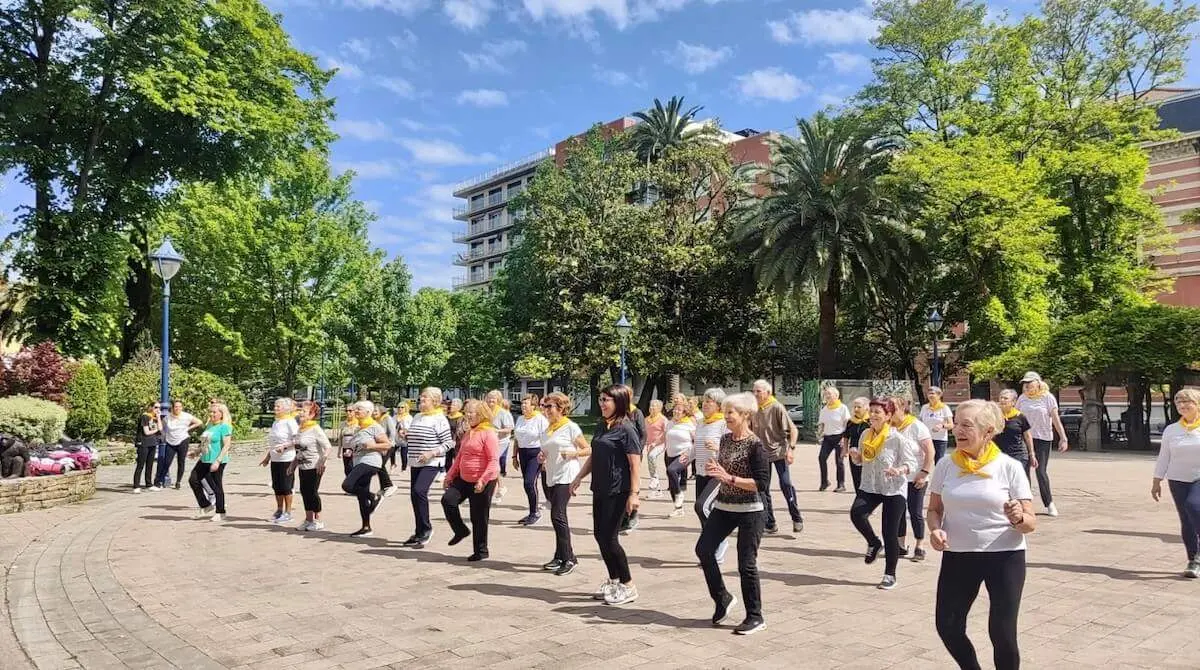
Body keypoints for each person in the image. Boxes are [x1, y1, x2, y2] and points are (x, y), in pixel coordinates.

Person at [930, 399, 1035, 670]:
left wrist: (1018, 518)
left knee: (1002, 632)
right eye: (956, 424)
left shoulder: (1009, 466)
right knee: (948, 625)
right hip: (958, 556)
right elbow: (934, 509)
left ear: (988, 431)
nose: (958, 430)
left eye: (966, 425)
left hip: (1004, 556)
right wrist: (935, 529)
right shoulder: (945, 465)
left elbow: (1030, 522)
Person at [695, 392, 771, 635]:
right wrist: (715, 469)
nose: (726, 416)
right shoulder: (726, 440)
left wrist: (729, 477)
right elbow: (724, 467)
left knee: (746, 564)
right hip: (725, 505)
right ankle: (722, 598)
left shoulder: (756, 445)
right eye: (725, 411)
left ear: (745, 415)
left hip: (751, 510)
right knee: (704, 550)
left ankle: (755, 616)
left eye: (731, 413)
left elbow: (761, 483)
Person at [570, 384, 641, 606]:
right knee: (600, 536)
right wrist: (579, 476)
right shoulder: (603, 426)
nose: (602, 404)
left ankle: (628, 585)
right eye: (600, 400)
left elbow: (635, 465)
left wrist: (634, 494)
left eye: (606, 400)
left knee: (610, 539)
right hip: (599, 487)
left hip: (617, 490)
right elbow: (595, 455)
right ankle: (614, 579)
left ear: (618, 402)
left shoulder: (627, 429)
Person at [848, 397, 919, 590]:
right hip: (870, 485)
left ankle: (890, 574)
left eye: (877, 412)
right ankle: (873, 542)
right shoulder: (865, 435)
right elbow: (863, 460)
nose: (872, 415)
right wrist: (856, 457)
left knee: (890, 532)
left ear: (888, 416)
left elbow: (911, 464)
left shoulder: (897, 439)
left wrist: (900, 470)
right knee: (856, 513)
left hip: (893, 488)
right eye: (871, 411)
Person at [441, 399, 501, 561]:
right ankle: (460, 530)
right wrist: (450, 475)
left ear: (481, 414)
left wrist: (483, 480)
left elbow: (494, 461)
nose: (468, 415)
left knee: (478, 516)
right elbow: (460, 456)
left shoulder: (488, 433)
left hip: (483, 480)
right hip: (464, 478)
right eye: (466, 412)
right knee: (448, 500)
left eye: (471, 412)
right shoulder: (469, 432)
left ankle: (481, 551)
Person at [538, 392, 590, 576]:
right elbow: (545, 450)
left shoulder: (570, 427)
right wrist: (541, 456)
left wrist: (573, 454)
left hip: (567, 475)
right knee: (555, 516)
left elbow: (588, 449)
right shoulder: (547, 429)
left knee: (558, 515)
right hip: (551, 474)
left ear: (560, 408)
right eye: (544, 406)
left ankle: (569, 558)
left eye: (549, 406)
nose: (546, 410)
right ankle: (559, 555)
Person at [1151, 388, 1200, 578]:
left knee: (1193, 507)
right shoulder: (1172, 430)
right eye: (1179, 402)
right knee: (1186, 519)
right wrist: (1157, 481)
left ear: (1197, 405)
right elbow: (1164, 457)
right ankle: (1193, 560)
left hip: (1198, 479)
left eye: (1187, 402)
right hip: (1177, 479)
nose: (1182, 405)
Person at [749, 380, 803, 534]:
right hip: (762, 454)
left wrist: (791, 449)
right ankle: (770, 523)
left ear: (768, 392)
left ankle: (796, 517)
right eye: (754, 391)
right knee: (763, 489)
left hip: (779, 452)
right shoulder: (754, 409)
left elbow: (793, 430)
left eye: (758, 391)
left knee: (785, 484)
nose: (756, 394)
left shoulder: (777, 407)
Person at [405, 387, 455, 548]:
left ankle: (426, 529)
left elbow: (448, 443)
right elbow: (415, 436)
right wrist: (406, 435)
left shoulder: (439, 419)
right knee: (414, 495)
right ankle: (419, 531)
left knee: (420, 491)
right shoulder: (418, 416)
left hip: (432, 462)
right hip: (415, 461)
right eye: (421, 397)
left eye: (424, 398)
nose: (421, 400)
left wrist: (432, 453)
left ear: (435, 401)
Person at [1015, 372, 1068, 517]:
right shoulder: (1022, 399)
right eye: (1025, 384)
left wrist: (1063, 438)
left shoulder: (1048, 398)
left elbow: (1056, 419)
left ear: (1038, 383)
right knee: (1023, 470)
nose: (1026, 386)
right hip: (1025, 438)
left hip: (1043, 438)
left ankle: (1049, 502)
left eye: (1029, 383)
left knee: (1041, 471)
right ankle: (1025, 504)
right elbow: (1016, 416)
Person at [892, 395, 935, 561]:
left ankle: (920, 545)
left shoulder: (917, 426)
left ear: (903, 408)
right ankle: (900, 545)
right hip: (897, 478)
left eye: (893, 407)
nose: (889, 411)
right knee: (898, 512)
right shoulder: (889, 427)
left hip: (916, 476)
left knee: (915, 511)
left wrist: (924, 472)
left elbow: (930, 451)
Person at [341, 401, 392, 538]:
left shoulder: (375, 427)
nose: (356, 411)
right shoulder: (358, 428)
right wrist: (351, 452)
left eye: (359, 409)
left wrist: (372, 446)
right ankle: (366, 527)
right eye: (355, 408)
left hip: (371, 461)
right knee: (361, 495)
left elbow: (387, 445)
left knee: (347, 485)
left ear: (368, 412)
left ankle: (373, 496)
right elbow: (359, 446)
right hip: (359, 461)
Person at [189, 403, 233, 522]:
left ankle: (221, 511)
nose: (212, 414)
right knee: (193, 479)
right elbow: (204, 443)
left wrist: (218, 461)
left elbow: (227, 445)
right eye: (211, 412)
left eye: (214, 412)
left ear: (221, 414)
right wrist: (196, 452)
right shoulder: (209, 425)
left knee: (216, 486)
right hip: (205, 459)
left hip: (217, 460)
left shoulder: (224, 427)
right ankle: (205, 505)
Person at [293, 400, 332, 531]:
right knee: (304, 492)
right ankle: (308, 519)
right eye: (301, 411)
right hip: (302, 465)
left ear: (312, 414)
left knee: (312, 492)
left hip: (315, 465)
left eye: (304, 411)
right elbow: (298, 449)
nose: (301, 413)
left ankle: (318, 520)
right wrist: (292, 465)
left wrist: (322, 461)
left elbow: (327, 446)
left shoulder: (315, 429)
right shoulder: (300, 428)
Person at [260, 398, 300, 524]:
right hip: (275, 458)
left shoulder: (290, 422)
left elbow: (297, 439)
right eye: (275, 406)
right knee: (276, 485)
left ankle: (288, 512)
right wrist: (268, 457)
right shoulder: (276, 422)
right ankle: (279, 510)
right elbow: (273, 443)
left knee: (286, 486)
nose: (275, 409)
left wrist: (285, 446)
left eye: (278, 407)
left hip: (287, 458)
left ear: (286, 409)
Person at [514, 394, 550, 526]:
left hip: (536, 453)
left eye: (526, 404)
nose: (523, 406)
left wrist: (544, 458)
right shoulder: (520, 419)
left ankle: (535, 512)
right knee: (527, 484)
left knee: (530, 483)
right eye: (522, 403)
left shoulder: (540, 419)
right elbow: (517, 439)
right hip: (523, 453)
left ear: (533, 406)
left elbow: (546, 439)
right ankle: (531, 512)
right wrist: (514, 456)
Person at [155, 399, 202, 490]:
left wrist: (188, 428)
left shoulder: (186, 416)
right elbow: (162, 428)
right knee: (167, 462)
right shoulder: (168, 417)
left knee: (181, 461)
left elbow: (199, 422)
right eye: (176, 406)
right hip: (170, 441)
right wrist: (158, 419)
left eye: (179, 407)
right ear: (173, 407)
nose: (178, 408)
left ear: (182, 407)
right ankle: (160, 481)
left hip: (183, 440)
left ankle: (178, 482)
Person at [665, 394, 697, 517]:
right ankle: (678, 508)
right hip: (670, 454)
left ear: (684, 413)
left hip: (684, 454)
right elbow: (666, 437)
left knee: (671, 470)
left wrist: (689, 453)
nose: (676, 412)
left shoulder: (689, 423)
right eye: (675, 409)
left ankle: (679, 494)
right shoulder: (670, 423)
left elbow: (696, 440)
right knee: (671, 478)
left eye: (679, 410)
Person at [817, 386, 851, 492]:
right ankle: (824, 482)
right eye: (826, 394)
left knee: (839, 461)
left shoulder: (842, 408)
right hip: (827, 437)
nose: (827, 396)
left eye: (829, 394)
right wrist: (820, 433)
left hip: (839, 436)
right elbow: (822, 423)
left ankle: (841, 484)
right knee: (821, 458)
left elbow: (847, 424)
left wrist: (845, 439)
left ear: (836, 396)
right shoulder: (825, 409)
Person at [996, 390, 1035, 476]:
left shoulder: (1020, 416)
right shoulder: (994, 416)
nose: (1002, 400)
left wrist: (1032, 454)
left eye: (1005, 398)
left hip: (1018, 455)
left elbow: (1028, 436)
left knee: (1020, 482)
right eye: (1001, 398)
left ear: (1013, 402)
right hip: (999, 455)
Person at [486, 390, 515, 498]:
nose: (490, 400)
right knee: (492, 463)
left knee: (492, 462)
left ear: (498, 400)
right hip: (488, 441)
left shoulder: (503, 413)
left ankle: (497, 487)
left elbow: (510, 429)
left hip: (501, 441)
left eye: (493, 398)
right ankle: (499, 487)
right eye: (489, 398)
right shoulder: (486, 411)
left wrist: (497, 431)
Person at [919, 386, 955, 464]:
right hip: (926, 438)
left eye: (932, 393)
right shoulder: (924, 408)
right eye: (929, 393)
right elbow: (920, 423)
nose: (930, 395)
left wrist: (942, 426)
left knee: (938, 462)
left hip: (940, 440)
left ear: (939, 395)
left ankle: (939, 476)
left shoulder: (944, 408)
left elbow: (951, 425)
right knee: (924, 461)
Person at [842, 397, 871, 493]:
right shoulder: (851, 421)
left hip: (867, 453)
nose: (856, 409)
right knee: (856, 477)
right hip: (853, 453)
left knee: (866, 477)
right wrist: (845, 449)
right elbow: (846, 436)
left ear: (867, 408)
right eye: (854, 407)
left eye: (859, 407)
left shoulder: (870, 421)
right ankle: (858, 495)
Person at [133, 402, 160, 493]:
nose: (157, 409)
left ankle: (149, 484)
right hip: (144, 443)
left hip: (152, 443)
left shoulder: (155, 417)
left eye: (159, 408)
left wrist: (159, 417)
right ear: (151, 407)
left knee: (150, 465)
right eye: (156, 407)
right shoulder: (145, 416)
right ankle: (136, 486)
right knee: (140, 464)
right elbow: (146, 432)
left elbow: (161, 428)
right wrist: (157, 430)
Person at [644, 400, 667, 499]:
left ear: (659, 408)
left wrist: (655, 443)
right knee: (650, 462)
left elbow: (665, 434)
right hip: (649, 445)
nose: (651, 408)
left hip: (660, 444)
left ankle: (654, 478)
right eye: (650, 406)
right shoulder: (646, 419)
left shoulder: (663, 419)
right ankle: (657, 490)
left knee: (652, 456)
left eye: (654, 406)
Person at [374, 406, 398, 497]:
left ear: (381, 411)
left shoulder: (387, 418)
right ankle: (384, 487)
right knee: (378, 465)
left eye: (376, 411)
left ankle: (389, 485)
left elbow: (392, 433)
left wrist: (386, 446)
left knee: (380, 465)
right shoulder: (376, 420)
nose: (374, 412)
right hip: (379, 446)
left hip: (388, 445)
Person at [395, 400, 414, 471]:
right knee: (391, 451)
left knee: (403, 454)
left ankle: (403, 468)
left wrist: (404, 431)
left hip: (404, 438)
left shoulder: (409, 417)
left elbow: (410, 427)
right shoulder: (395, 416)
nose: (400, 409)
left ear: (406, 408)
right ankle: (393, 464)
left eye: (402, 407)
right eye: (398, 407)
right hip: (396, 438)